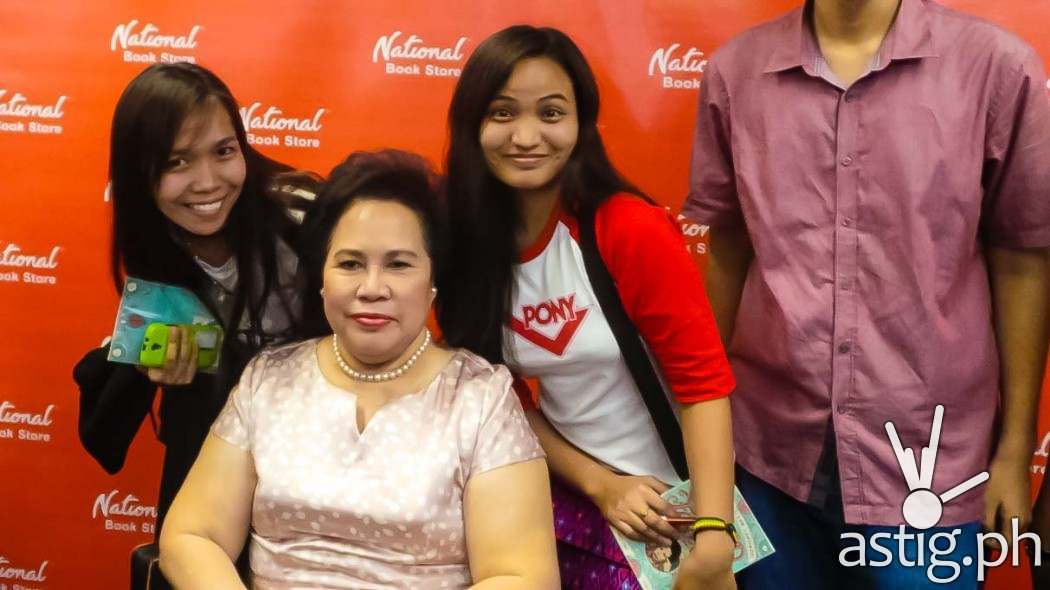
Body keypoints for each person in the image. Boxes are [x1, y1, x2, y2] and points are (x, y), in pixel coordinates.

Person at [684, 0, 1050, 588]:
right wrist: (703, 435)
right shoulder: (736, 71)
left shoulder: (996, 67)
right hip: (769, 451)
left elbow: (1023, 260)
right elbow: (726, 248)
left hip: (930, 460)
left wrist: (1014, 450)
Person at [158, 150, 560, 589]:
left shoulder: (481, 398)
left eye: (398, 264)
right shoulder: (269, 380)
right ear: (322, 278)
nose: (371, 289)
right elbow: (193, 535)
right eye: (350, 264)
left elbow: (523, 576)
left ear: (431, 283)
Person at [438, 25, 737, 589]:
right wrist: (600, 484)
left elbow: (704, 387)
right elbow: (501, 400)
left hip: (674, 507)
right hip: (568, 500)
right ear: (472, 123)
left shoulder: (626, 228)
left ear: (581, 125)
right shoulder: (467, 247)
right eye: (502, 114)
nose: (526, 136)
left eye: (551, 114)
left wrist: (714, 530)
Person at [74, 62, 317, 533]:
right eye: (175, 162)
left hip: (323, 460)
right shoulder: (153, 254)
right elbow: (104, 433)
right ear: (138, 174)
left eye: (224, 151)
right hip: (220, 475)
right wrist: (152, 371)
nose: (208, 182)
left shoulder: (303, 213)